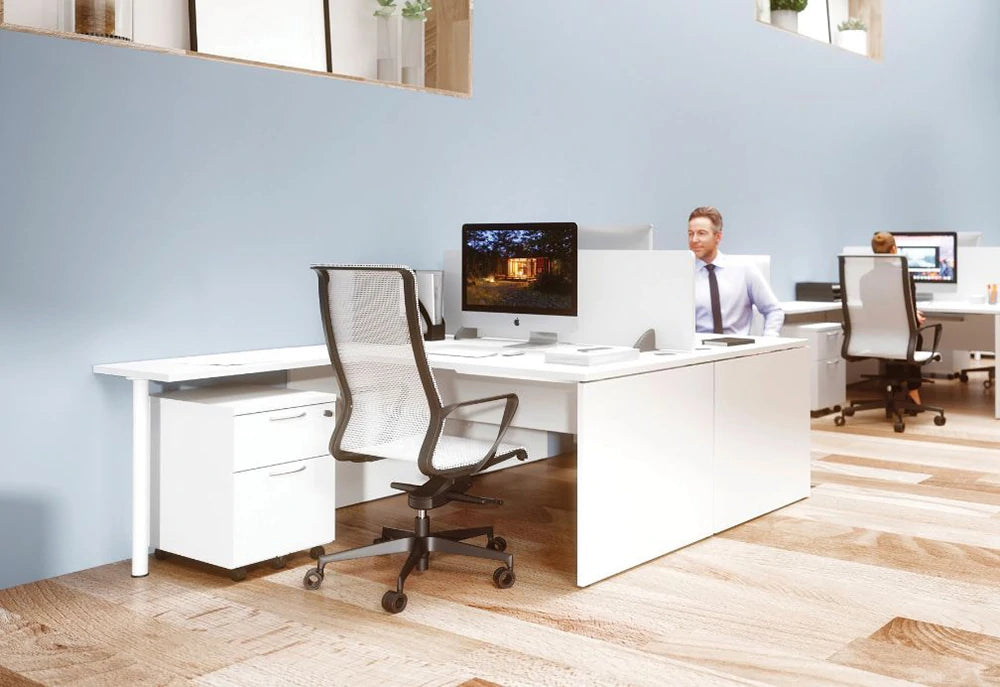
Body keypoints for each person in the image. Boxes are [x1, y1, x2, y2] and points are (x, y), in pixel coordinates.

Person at [687, 206, 784, 337]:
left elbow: (773, 310)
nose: (694, 240)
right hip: (700, 352)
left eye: (701, 233)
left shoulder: (744, 269)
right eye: (690, 234)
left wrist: (768, 341)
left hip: (738, 350)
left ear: (718, 237)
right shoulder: (684, 275)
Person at [869, 231, 925, 408]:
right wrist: (914, 315)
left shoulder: (865, 279)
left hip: (873, 335)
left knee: (892, 338)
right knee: (915, 337)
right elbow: (912, 321)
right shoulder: (904, 277)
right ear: (894, 249)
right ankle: (912, 389)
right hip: (898, 335)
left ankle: (892, 387)